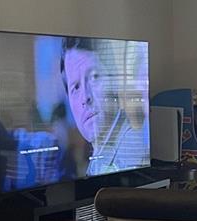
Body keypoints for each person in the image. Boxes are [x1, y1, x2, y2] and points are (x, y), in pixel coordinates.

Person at [60, 37, 147, 176]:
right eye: (75, 87)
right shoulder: (99, 158)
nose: (85, 97)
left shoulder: (132, 154)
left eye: (94, 77)